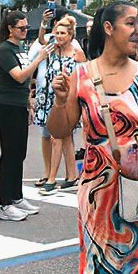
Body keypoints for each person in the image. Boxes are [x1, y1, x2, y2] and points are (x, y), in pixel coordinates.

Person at [48, 2, 138, 274]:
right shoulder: (80, 74)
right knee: (98, 259)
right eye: (130, 23)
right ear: (108, 28)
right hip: (98, 186)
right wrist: (62, 101)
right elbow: (60, 131)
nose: (137, 29)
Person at [0, 10, 44, 222]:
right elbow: (19, 75)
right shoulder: (4, 50)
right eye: (21, 28)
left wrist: (29, 102)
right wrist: (39, 58)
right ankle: (5, 203)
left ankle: (16, 197)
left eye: (26, 28)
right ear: (10, 29)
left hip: (19, 104)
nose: (25, 31)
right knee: (9, 155)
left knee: (19, 154)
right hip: (6, 105)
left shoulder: (19, 48)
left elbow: (25, 80)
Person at [28, 15, 86, 194]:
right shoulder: (52, 49)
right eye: (57, 32)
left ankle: (52, 179)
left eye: (62, 33)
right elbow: (41, 39)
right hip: (48, 99)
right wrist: (44, 23)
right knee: (66, 139)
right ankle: (71, 176)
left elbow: (85, 76)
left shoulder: (77, 53)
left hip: (67, 100)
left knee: (56, 138)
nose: (59, 36)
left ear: (70, 36)